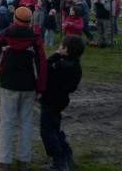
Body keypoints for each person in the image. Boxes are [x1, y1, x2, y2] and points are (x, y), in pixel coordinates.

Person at [0, 6, 47, 171]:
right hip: (28, 87)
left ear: (15, 20)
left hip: (9, 85)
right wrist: (40, 88)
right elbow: (40, 66)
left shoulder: (4, 38)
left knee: (7, 123)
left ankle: (4, 162)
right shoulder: (35, 40)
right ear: (30, 22)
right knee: (26, 123)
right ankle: (23, 162)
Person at [39, 35, 85, 171]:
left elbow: (45, 67)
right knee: (55, 129)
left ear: (66, 49)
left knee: (48, 132)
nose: (59, 48)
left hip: (51, 100)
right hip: (61, 101)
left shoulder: (61, 66)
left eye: (61, 46)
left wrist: (56, 55)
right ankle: (67, 154)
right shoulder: (76, 65)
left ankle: (59, 162)